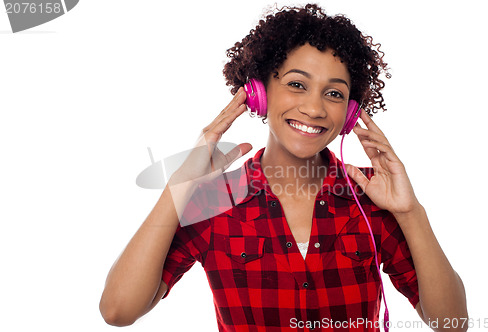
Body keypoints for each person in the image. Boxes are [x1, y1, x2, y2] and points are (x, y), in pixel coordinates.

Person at [99, 4, 468, 331]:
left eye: (334, 93)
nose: (315, 108)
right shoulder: (214, 199)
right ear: (260, 93)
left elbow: (452, 324)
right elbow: (118, 311)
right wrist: (178, 190)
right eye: (296, 84)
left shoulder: (372, 195)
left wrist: (410, 212)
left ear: (351, 110)